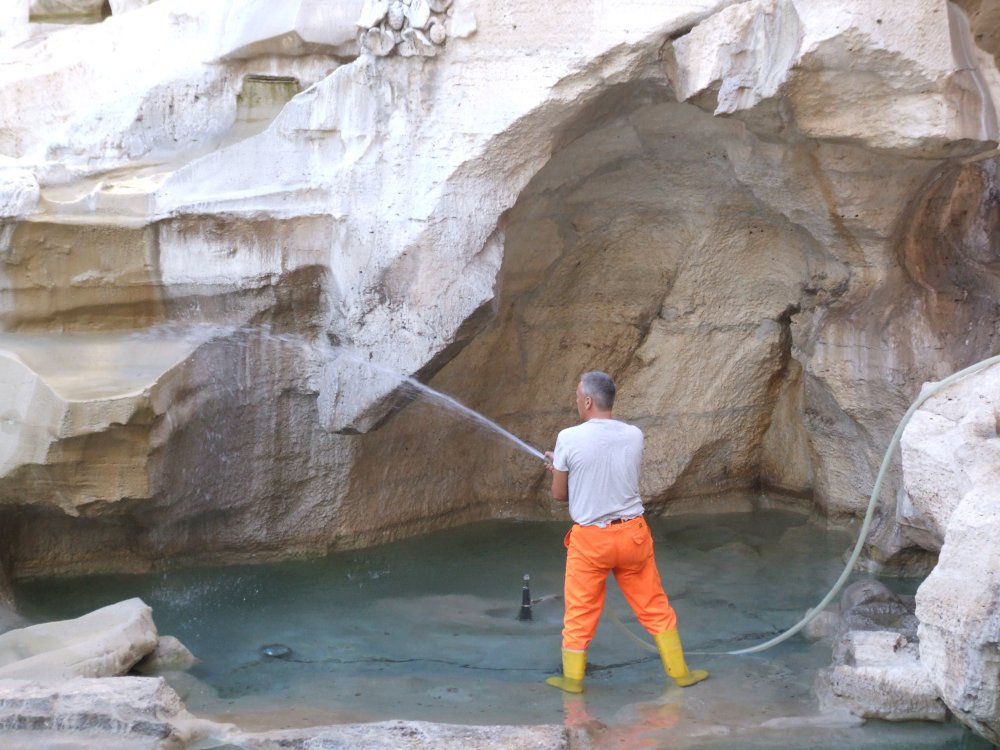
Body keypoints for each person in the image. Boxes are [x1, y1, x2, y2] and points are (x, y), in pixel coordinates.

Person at [543, 371, 708, 693]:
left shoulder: (568, 438)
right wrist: (563, 463)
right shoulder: (634, 434)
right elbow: (605, 467)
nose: (576, 400)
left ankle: (572, 681)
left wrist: (558, 467)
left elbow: (560, 495)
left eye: (578, 395)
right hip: (633, 535)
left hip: (591, 541)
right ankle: (681, 674)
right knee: (655, 606)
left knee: (580, 612)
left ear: (588, 401)